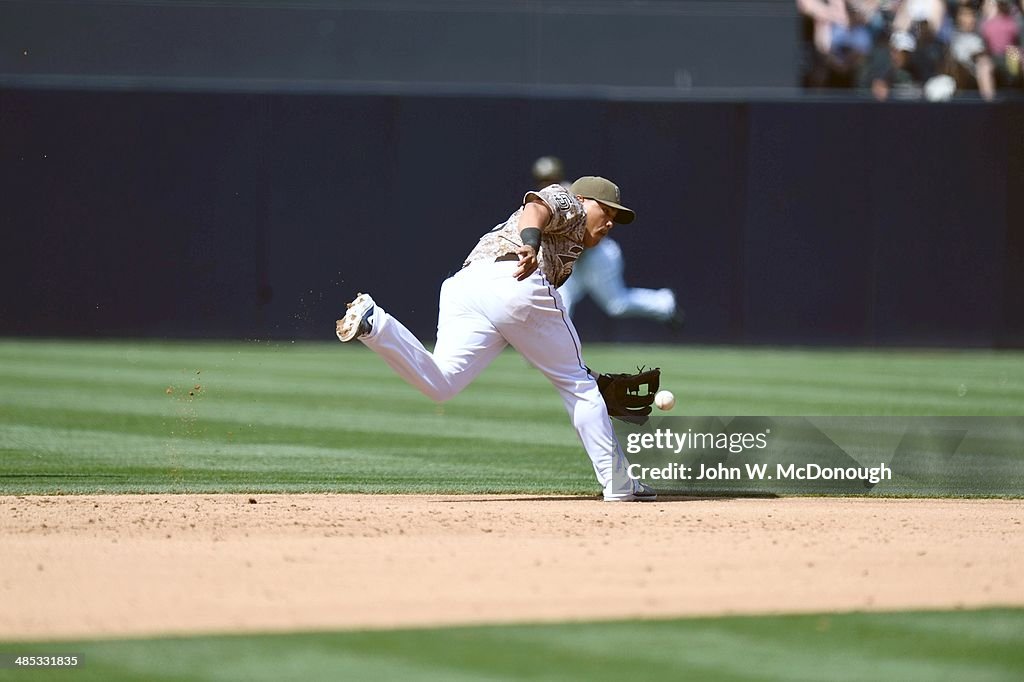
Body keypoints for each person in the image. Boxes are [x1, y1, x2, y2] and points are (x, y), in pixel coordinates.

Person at [336, 175, 657, 502]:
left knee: (442, 383)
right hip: (515, 277)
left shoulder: (572, 244)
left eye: (615, 218)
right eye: (606, 211)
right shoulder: (569, 202)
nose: (610, 223)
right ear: (586, 201)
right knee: (578, 385)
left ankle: (375, 324)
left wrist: (589, 378)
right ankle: (619, 483)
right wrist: (531, 244)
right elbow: (535, 207)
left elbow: (540, 344)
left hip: (466, 286)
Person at [530, 157, 680, 325]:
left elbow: (581, 236)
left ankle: (665, 303)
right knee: (561, 301)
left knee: (617, 305)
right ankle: (557, 345)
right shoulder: (544, 198)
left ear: (558, 176)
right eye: (542, 179)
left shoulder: (568, 195)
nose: (546, 182)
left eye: (550, 178)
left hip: (596, 255)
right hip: (574, 259)